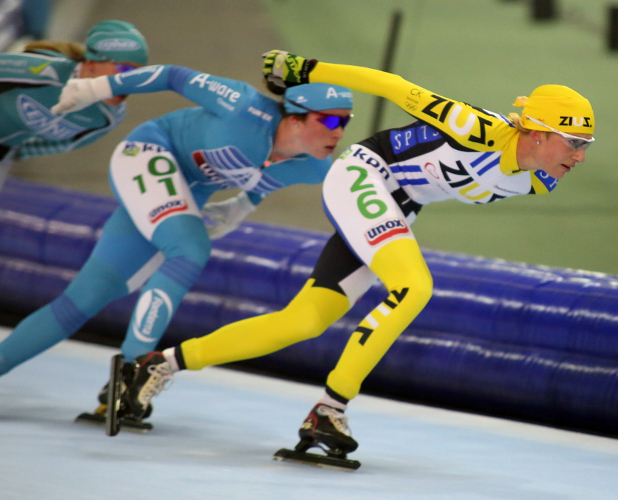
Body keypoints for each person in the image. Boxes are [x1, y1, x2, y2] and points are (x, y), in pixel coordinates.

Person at [95, 50, 594, 461]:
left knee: (305, 320)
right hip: (366, 176)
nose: (580, 155)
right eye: (573, 142)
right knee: (415, 287)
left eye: (585, 145)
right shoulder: (479, 128)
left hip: (397, 205)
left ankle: (158, 365)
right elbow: (393, 85)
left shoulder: (541, 177)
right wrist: (306, 71)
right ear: (536, 133)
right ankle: (330, 408)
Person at [0, 59, 354, 424]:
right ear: (294, 117)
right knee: (190, 250)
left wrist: (240, 208)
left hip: (189, 190)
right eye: (329, 121)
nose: (339, 132)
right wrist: (97, 89)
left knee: (86, 297)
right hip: (152, 151)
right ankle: (134, 374)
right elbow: (172, 75)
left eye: (346, 122)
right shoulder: (241, 104)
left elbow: (266, 179)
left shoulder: (314, 166)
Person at [0, 19, 149, 190]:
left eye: (139, 74)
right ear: (92, 63)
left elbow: (70, 143)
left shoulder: (110, 114)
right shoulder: (43, 71)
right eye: (125, 70)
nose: (132, 82)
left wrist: (16, 153)